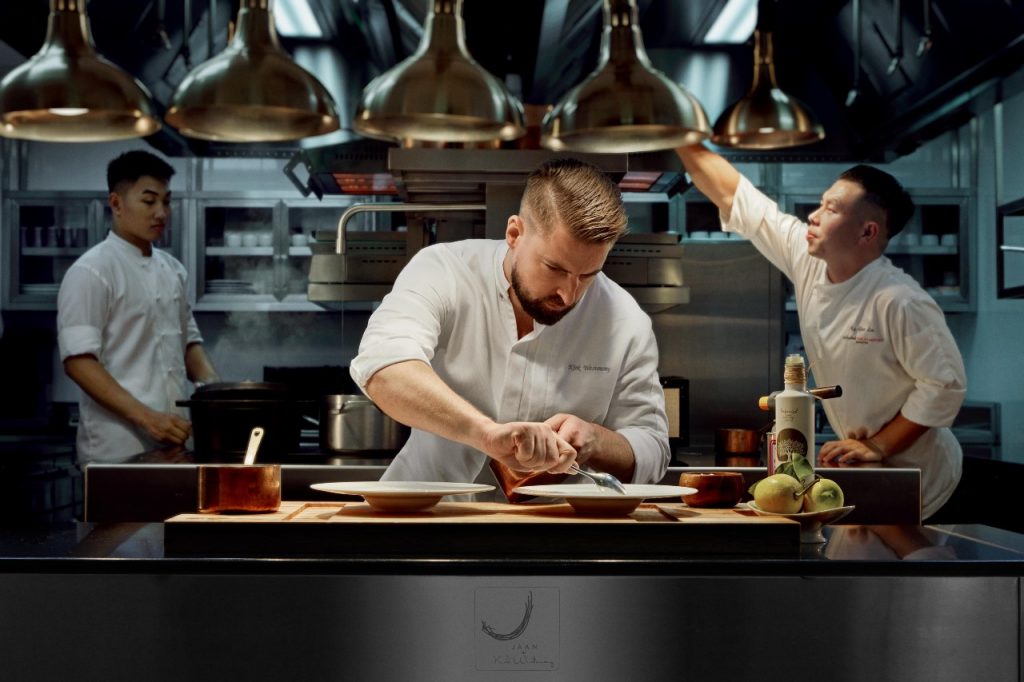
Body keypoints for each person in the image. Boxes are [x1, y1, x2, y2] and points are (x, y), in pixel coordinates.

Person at [674, 144, 966, 519]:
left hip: (925, 485)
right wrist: (681, 135)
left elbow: (945, 385)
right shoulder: (808, 260)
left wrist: (879, 445)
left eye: (831, 209)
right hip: (867, 474)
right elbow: (734, 195)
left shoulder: (899, 300)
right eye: (820, 203)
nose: (813, 216)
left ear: (867, 231)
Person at [350, 158, 670, 495]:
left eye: (588, 275)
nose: (569, 293)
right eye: (554, 268)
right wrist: (485, 433)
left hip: (555, 532)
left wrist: (594, 440)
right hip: (427, 514)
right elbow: (384, 365)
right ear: (514, 233)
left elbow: (653, 448)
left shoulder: (624, 320)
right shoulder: (443, 269)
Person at [57, 150, 219, 466]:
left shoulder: (173, 270)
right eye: (149, 201)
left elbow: (189, 345)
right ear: (116, 203)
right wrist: (147, 418)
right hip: (115, 449)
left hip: (173, 441)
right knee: (125, 518)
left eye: (167, 201)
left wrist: (217, 394)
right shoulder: (90, 272)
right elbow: (78, 361)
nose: (161, 212)